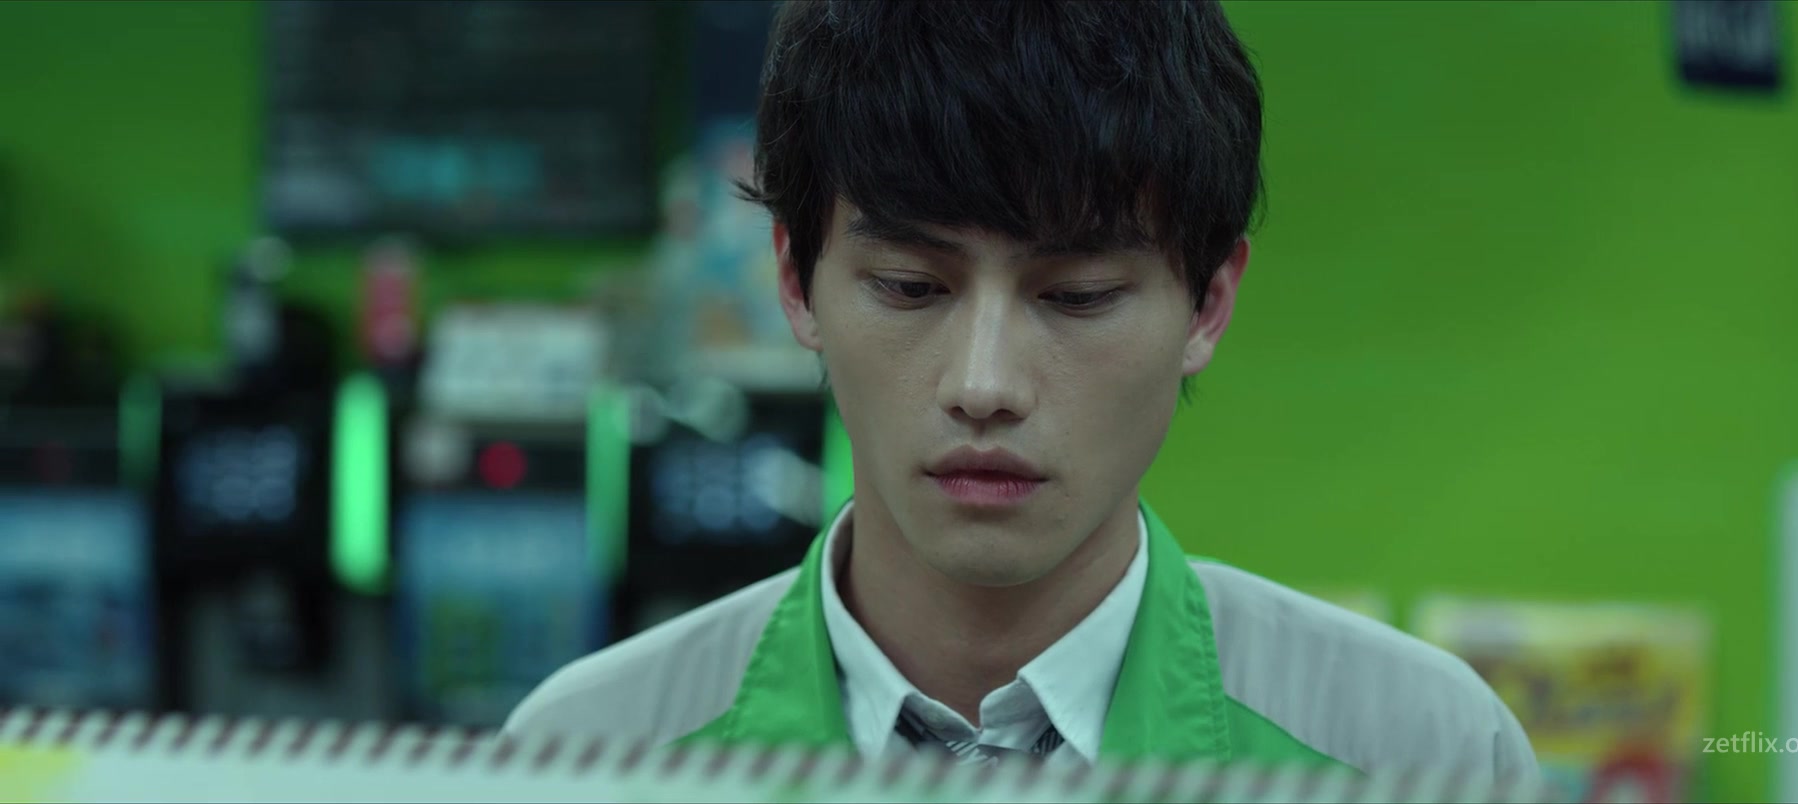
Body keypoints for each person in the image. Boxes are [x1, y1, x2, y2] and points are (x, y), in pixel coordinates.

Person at [507, 0, 1539, 781]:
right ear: (794, 281)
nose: (983, 385)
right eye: (910, 286)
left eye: (1077, 295)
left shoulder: (1422, 757)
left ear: (1209, 303)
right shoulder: (581, 758)